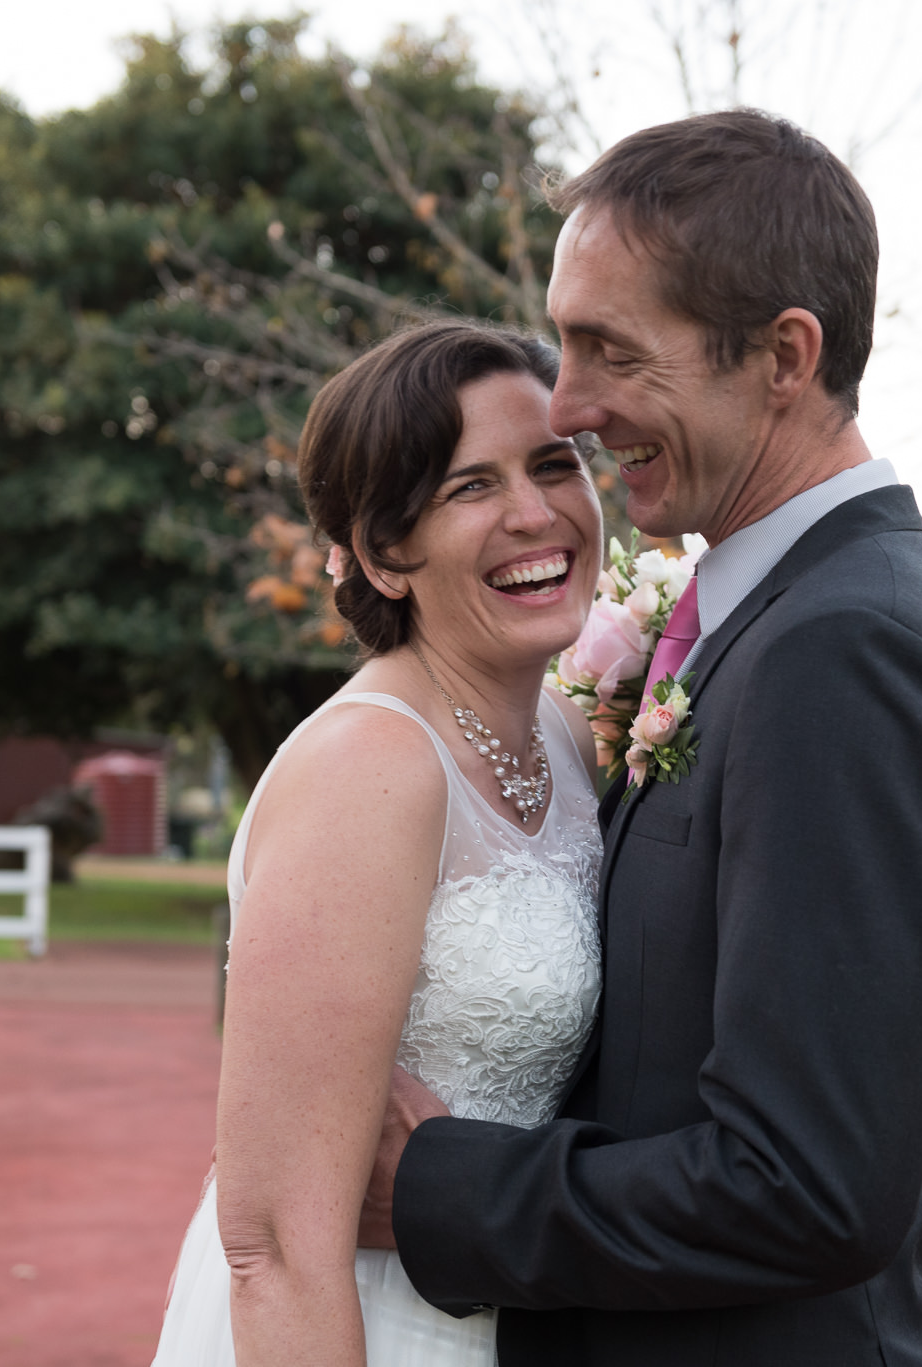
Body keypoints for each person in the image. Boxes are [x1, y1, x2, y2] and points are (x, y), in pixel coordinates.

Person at [363, 110, 922, 1366]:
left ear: (782, 355)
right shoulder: (769, 612)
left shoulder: (844, 651)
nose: (568, 406)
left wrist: (444, 1190)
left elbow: (804, 1183)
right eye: (564, 343)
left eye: (608, 350)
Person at [149, 319, 609, 1367]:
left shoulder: (571, 732)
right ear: (382, 553)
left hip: (508, 1302)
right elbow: (271, 1240)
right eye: (469, 488)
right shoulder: (372, 765)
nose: (534, 513)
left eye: (553, 464)